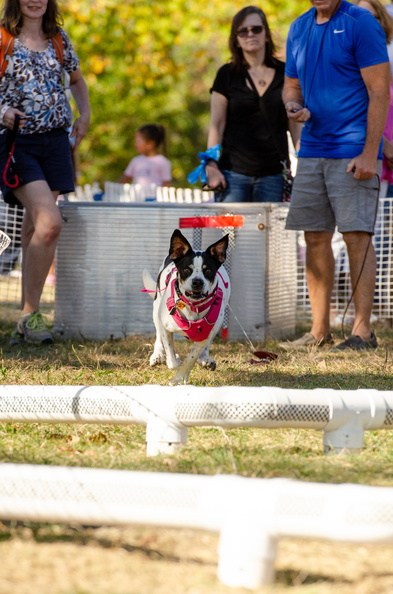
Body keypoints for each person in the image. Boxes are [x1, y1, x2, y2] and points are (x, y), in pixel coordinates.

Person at [281, 0, 390, 351]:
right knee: (314, 237)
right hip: (312, 148)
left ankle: (362, 332)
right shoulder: (298, 28)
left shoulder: (360, 22)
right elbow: (291, 86)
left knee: (356, 236)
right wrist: (293, 107)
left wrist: (369, 151)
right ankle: (319, 331)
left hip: (353, 148)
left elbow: (379, 90)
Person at [0, 0, 90, 345]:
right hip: (17, 143)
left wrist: (84, 115)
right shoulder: (3, 39)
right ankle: (30, 315)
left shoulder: (58, 38)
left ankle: (26, 320)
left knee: (36, 226)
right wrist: (4, 110)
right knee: (50, 222)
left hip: (56, 143)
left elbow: (78, 81)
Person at [204, 5, 301, 203]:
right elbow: (217, 124)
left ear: (266, 33)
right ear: (236, 39)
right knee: (229, 234)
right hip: (233, 174)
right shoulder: (227, 74)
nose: (250, 34)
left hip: (274, 174)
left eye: (256, 29)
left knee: (266, 234)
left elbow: (295, 124)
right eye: (243, 31)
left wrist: (305, 163)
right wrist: (211, 165)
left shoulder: (287, 72)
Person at [117, 124, 172, 189]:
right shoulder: (136, 161)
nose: (136, 144)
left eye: (139, 141)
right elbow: (125, 178)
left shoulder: (162, 162)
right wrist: (110, 189)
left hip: (155, 198)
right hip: (136, 198)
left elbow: (166, 183)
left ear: (150, 144)